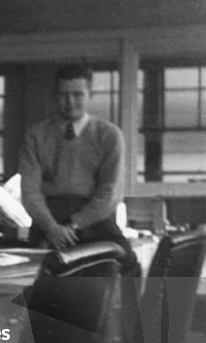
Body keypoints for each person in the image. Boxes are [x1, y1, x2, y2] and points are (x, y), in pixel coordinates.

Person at [18, 63, 138, 276]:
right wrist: (51, 228)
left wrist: (74, 225)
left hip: (96, 222)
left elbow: (110, 194)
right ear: (55, 96)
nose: (70, 101)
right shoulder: (35, 136)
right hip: (48, 222)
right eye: (63, 94)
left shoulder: (109, 135)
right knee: (33, 282)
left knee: (129, 269)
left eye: (77, 94)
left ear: (90, 95)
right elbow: (30, 192)